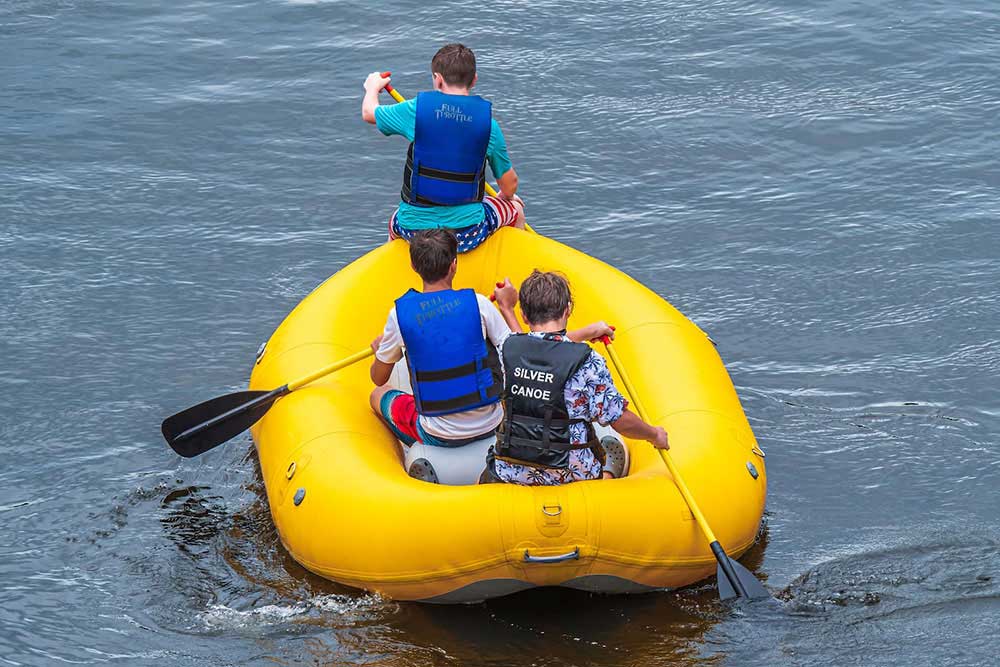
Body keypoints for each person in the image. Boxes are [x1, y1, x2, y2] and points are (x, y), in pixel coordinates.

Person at [370, 230, 614, 484]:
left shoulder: (398, 316)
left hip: (437, 433)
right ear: (454, 264)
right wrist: (507, 308)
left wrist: (380, 353)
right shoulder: (479, 304)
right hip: (492, 422)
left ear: (413, 266)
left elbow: (378, 378)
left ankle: (419, 463)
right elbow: (527, 349)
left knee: (378, 396)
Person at [486, 270, 670, 485]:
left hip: (512, 470)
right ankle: (608, 474)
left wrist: (507, 308)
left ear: (525, 316)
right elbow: (619, 420)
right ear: (568, 310)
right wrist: (654, 435)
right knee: (608, 441)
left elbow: (530, 344)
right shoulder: (588, 361)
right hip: (570, 474)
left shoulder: (506, 350)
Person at [361, 43, 525, 253]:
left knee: (395, 219)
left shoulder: (416, 111)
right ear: (474, 80)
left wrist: (373, 88)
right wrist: (504, 197)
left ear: (437, 79)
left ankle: (398, 275)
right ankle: (509, 277)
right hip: (467, 232)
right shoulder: (489, 126)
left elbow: (369, 112)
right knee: (516, 208)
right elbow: (510, 186)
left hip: (414, 232)